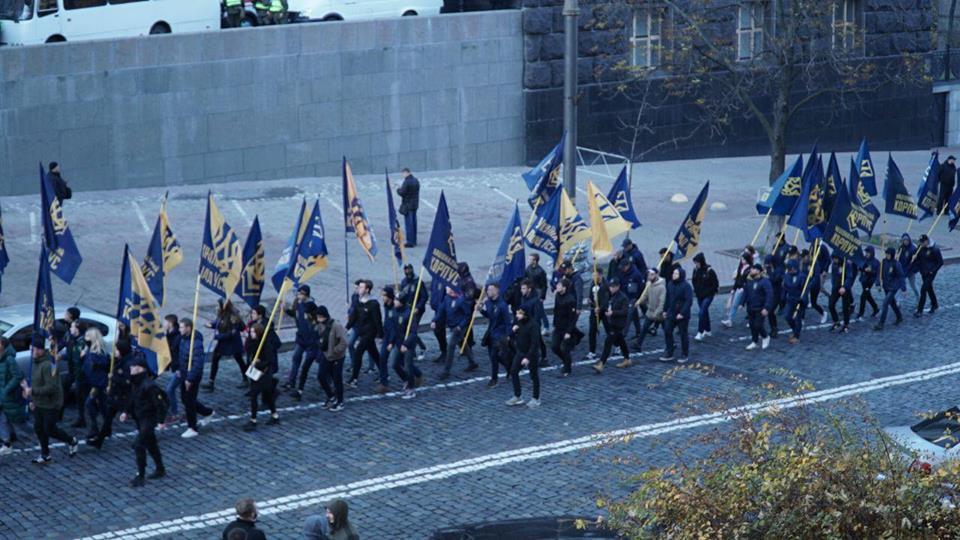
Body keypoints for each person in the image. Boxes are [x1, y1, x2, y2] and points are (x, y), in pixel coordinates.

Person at [24, 335, 78, 464]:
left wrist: (33, 392)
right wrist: (33, 399)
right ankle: (45, 453)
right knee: (39, 428)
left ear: (42, 350)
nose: (33, 352)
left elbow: (51, 387)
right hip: (40, 402)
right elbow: (37, 383)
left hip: (51, 404)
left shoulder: (48, 365)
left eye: (36, 349)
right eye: (32, 349)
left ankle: (71, 440)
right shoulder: (37, 363)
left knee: (50, 429)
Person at [122, 358, 167, 487]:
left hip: (148, 418)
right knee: (151, 443)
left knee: (139, 445)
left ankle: (140, 475)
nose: (130, 369)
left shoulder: (149, 385)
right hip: (140, 418)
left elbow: (160, 404)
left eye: (133, 367)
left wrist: (160, 421)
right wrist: (126, 412)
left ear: (140, 368)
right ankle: (160, 468)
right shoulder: (135, 383)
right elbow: (132, 399)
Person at [89, 338, 135, 450]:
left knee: (138, 418)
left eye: (117, 350)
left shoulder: (128, 363)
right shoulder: (119, 359)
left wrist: (113, 377)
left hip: (126, 397)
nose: (115, 351)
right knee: (108, 419)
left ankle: (145, 438)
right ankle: (99, 440)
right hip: (116, 395)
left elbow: (127, 381)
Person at [433, 285, 477, 380]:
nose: (450, 290)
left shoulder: (461, 300)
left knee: (451, 347)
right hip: (453, 326)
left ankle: (446, 371)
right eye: (448, 288)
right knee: (462, 343)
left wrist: (460, 326)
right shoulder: (446, 299)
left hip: (459, 327)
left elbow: (467, 315)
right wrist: (434, 320)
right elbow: (441, 311)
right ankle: (472, 362)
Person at [180, 319, 214, 439]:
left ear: (188, 328)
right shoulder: (183, 339)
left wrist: (190, 378)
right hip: (184, 373)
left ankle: (192, 427)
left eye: (182, 327)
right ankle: (207, 412)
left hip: (192, 376)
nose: (180, 330)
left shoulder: (196, 343)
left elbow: (198, 364)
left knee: (189, 401)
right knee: (185, 399)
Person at [622, 269, 664, 366]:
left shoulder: (662, 285)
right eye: (649, 274)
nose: (650, 276)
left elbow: (662, 299)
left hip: (659, 310)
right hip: (651, 309)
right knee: (645, 327)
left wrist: (659, 311)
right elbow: (645, 294)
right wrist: (639, 302)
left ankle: (671, 344)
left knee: (666, 328)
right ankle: (638, 343)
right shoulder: (649, 284)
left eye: (652, 274)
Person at [346, 280, 383, 389]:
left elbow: (378, 320)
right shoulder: (359, 301)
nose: (358, 289)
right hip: (362, 332)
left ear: (367, 289)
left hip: (370, 333)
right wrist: (346, 328)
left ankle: (354, 379)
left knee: (358, 352)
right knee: (375, 354)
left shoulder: (373, 304)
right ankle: (384, 373)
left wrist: (380, 335)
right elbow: (354, 317)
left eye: (361, 287)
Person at [203, 299, 247, 392]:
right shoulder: (222, 314)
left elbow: (232, 333)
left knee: (239, 360)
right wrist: (211, 325)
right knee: (215, 359)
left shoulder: (233, 318)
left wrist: (217, 336)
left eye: (218, 306)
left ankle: (246, 379)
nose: (216, 308)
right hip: (223, 343)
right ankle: (211, 382)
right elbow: (219, 322)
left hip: (232, 344)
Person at [244, 322, 281, 431]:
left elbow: (270, 360)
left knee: (255, 395)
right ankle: (275, 415)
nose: (251, 334)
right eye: (250, 332)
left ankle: (253, 420)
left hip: (264, 373)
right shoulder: (253, 342)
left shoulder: (266, 344)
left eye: (252, 332)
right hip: (256, 372)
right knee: (268, 395)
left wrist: (258, 362)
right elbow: (249, 350)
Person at [591, 278, 630, 374]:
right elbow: (605, 305)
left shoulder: (623, 297)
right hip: (612, 322)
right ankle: (627, 358)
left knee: (608, 341)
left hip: (618, 323)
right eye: (610, 286)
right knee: (620, 340)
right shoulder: (610, 295)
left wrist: (613, 313)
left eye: (613, 287)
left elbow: (625, 311)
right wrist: (599, 309)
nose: (611, 288)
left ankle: (601, 363)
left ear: (618, 287)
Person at [505, 307, 541, 408]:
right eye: (517, 313)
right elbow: (513, 337)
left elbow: (535, 343)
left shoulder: (533, 325)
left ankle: (536, 398)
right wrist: (513, 331)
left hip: (531, 354)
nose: (517, 316)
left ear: (525, 315)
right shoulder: (519, 323)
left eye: (519, 314)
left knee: (534, 376)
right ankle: (517, 396)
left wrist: (528, 357)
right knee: (513, 371)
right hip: (520, 352)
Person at [81, 327, 110, 445]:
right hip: (93, 382)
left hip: (98, 384)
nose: (85, 339)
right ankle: (106, 427)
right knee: (103, 407)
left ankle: (95, 429)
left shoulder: (99, 353)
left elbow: (104, 364)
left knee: (89, 404)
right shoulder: (89, 351)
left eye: (88, 337)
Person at [316, 305, 348, 411]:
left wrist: (335, 351)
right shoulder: (320, 325)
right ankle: (331, 396)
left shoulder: (336, 326)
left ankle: (340, 401)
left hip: (337, 357)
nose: (318, 319)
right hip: (326, 355)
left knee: (337, 379)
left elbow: (343, 342)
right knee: (321, 376)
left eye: (320, 317)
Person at [283, 285, 315, 390]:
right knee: (296, 358)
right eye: (298, 293)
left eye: (301, 294)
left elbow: (316, 319)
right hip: (301, 337)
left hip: (311, 339)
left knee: (317, 360)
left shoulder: (311, 306)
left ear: (306, 295)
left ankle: (328, 378)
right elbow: (295, 314)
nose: (299, 295)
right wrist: (285, 310)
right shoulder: (298, 303)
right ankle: (291, 381)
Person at [480, 283, 512, 386]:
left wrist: (508, 335)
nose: (488, 292)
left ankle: (494, 379)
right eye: (488, 290)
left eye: (490, 290)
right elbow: (490, 316)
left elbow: (508, 322)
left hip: (500, 335)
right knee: (494, 357)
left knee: (494, 356)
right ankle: (510, 368)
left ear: (496, 291)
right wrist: (480, 310)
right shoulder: (488, 303)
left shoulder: (502, 305)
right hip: (491, 333)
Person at [392, 294, 422, 400]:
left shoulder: (409, 314)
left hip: (408, 344)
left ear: (402, 302)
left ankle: (411, 388)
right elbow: (394, 328)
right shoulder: (395, 311)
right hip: (399, 342)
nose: (394, 302)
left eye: (396, 300)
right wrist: (391, 341)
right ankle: (407, 379)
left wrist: (406, 344)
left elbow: (413, 332)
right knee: (395, 364)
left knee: (408, 366)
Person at [661, 265, 693, 363]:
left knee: (683, 334)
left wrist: (682, 313)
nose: (674, 275)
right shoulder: (670, 284)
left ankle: (684, 354)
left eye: (676, 274)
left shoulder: (686, 286)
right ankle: (669, 351)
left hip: (681, 314)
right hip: (671, 312)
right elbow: (668, 298)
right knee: (667, 330)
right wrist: (665, 310)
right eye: (673, 273)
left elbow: (689, 301)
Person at [550, 278, 582, 376]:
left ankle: (567, 368)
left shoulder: (571, 300)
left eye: (559, 285)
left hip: (566, 328)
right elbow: (556, 310)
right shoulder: (558, 296)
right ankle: (566, 361)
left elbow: (572, 318)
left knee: (564, 348)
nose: (557, 286)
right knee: (554, 347)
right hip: (558, 327)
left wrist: (568, 332)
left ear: (564, 288)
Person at [291, 302, 321, 401]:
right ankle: (300, 390)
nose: (304, 315)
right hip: (311, 349)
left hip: (319, 349)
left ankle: (331, 386)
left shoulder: (318, 323)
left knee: (324, 371)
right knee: (304, 368)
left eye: (306, 313)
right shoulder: (309, 321)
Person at [399, 264, 429, 357]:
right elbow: (403, 295)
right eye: (406, 270)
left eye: (409, 269)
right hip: (407, 309)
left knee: (412, 329)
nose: (407, 271)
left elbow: (424, 296)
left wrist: (418, 307)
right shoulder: (404, 282)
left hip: (416, 309)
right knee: (407, 329)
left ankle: (413, 351)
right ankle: (420, 347)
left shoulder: (418, 281)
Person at [741, 264, 773, 351]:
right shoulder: (750, 281)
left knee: (758, 325)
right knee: (752, 325)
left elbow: (769, 295)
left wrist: (766, 307)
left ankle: (765, 336)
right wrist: (742, 303)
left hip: (760, 308)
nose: (751, 271)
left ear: (758, 271)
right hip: (751, 307)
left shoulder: (765, 282)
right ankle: (754, 342)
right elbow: (745, 292)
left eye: (753, 269)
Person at [0, 337, 23, 455]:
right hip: (2, 394)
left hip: (7, 395)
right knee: (4, 418)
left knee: (17, 420)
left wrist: (6, 389)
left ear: (2, 345)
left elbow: (17, 376)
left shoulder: (9, 359)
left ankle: (40, 434)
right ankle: (8, 441)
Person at [874, 247, 907, 331]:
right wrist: (878, 283)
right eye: (886, 254)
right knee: (892, 303)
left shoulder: (896, 264)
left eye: (888, 254)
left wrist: (903, 288)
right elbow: (879, 274)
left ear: (892, 255)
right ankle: (899, 316)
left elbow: (901, 276)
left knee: (885, 303)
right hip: (886, 286)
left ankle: (881, 323)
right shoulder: (883, 262)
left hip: (893, 287)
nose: (887, 255)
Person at [615, 256, 644, 341]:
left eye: (623, 267)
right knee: (634, 315)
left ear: (628, 266)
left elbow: (641, 286)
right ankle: (639, 332)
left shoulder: (636, 274)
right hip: (625, 296)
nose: (622, 269)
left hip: (633, 297)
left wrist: (639, 298)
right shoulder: (622, 272)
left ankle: (624, 333)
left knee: (628, 315)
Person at [914, 234, 944, 316]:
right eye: (920, 242)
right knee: (929, 288)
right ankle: (935, 304)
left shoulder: (935, 249)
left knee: (923, 289)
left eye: (922, 242)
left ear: (927, 241)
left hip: (930, 273)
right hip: (923, 272)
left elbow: (940, 262)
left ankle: (920, 310)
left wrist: (933, 270)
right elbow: (918, 258)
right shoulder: (920, 248)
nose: (921, 244)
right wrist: (915, 258)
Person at [721, 251, 752, 328]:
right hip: (739, 288)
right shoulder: (741, 266)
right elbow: (738, 278)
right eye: (742, 259)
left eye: (743, 259)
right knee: (735, 304)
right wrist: (734, 288)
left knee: (743, 305)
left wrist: (743, 288)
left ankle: (751, 320)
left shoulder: (750, 268)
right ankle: (730, 319)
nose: (742, 261)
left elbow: (747, 281)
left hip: (745, 289)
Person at [691, 253, 719, 341]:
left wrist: (709, 292)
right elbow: (694, 281)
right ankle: (708, 330)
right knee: (704, 311)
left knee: (702, 312)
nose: (696, 265)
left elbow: (715, 284)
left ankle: (700, 331)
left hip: (708, 295)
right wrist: (696, 290)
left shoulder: (709, 271)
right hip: (700, 295)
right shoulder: (695, 270)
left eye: (697, 263)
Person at [828, 254, 857, 333]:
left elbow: (849, 277)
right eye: (833, 259)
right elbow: (833, 276)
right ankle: (836, 322)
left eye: (835, 259)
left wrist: (844, 287)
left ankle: (846, 325)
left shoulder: (847, 264)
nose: (834, 261)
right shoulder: (834, 265)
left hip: (845, 288)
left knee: (845, 308)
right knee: (831, 304)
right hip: (836, 287)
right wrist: (834, 286)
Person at [781, 259, 807, 344]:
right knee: (787, 316)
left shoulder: (802, 276)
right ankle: (794, 329)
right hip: (790, 299)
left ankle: (797, 336)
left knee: (797, 318)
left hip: (799, 300)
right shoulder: (787, 276)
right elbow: (785, 288)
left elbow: (805, 289)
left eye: (792, 268)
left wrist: (803, 298)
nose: (791, 270)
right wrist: (782, 298)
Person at [585, 270, 609, 360]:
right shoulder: (593, 283)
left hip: (603, 310)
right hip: (594, 310)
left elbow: (606, 299)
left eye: (595, 275)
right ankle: (592, 351)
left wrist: (601, 308)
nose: (593, 277)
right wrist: (590, 301)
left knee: (609, 329)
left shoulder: (605, 285)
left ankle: (617, 345)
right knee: (592, 331)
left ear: (600, 275)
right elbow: (592, 295)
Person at [163, 314, 182, 422]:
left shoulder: (177, 337)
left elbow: (178, 353)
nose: (163, 324)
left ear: (170, 323)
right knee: (185, 394)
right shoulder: (169, 334)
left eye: (165, 322)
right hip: (175, 367)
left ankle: (175, 413)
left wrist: (179, 368)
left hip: (180, 368)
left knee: (170, 389)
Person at [524, 254, 549, 333]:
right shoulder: (528, 268)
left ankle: (546, 326)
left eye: (530, 259)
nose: (528, 260)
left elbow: (544, 285)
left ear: (535, 261)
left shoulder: (541, 271)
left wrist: (542, 297)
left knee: (540, 310)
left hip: (538, 291)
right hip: (531, 291)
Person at [397, 168, 420, 247]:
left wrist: (398, 189)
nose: (402, 175)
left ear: (406, 173)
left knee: (409, 224)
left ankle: (410, 242)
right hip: (415, 205)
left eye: (403, 173)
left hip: (408, 205)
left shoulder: (407, 181)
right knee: (414, 223)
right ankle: (414, 240)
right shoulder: (416, 180)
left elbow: (402, 192)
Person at [763, 254, 784, 338]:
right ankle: (773, 328)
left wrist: (768, 271)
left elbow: (774, 280)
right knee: (770, 312)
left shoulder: (779, 269)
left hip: (777, 293)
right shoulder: (771, 269)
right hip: (770, 293)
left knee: (771, 310)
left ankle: (774, 329)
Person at [857, 246, 880, 320]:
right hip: (863, 280)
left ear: (872, 253)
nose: (866, 253)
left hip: (869, 281)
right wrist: (863, 269)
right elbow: (860, 268)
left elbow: (877, 273)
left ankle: (861, 313)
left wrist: (871, 271)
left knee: (863, 296)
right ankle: (876, 308)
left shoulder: (876, 262)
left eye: (868, 252)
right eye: (866, 252)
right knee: (867, 295)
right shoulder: (864, 259)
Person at [898, 233, 920, 299]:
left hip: (910, 270)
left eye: (907, 240)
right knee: (900, 285)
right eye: (904, 240)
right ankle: (897, 301)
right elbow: (899, 257)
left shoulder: (913, 248)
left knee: (913, 286)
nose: (905, 242)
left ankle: (919, 298)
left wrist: (915, 257)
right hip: (902, 269)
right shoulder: (901, 247)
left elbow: (917, 260)